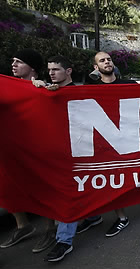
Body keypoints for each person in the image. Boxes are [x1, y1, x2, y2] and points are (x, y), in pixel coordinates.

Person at [78, 52, 140, 238]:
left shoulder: (129, 84)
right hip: (108, 143)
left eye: (108, 59)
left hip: (132, 139)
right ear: (95, 67)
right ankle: (122, 217)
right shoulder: (91, 88)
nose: (107, 62)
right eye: (102, 60)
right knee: (114, 181)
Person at [31, 55, 77, 262]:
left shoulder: (80, 91)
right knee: (67, 195)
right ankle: (88, 220)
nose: (51, 73)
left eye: (56, 69)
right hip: (56, 156)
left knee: (70, 195)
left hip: (79, 153)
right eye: (49, 69)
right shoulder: (45, 91)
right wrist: (35, 85)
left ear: (68, 72)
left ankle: (64, 241)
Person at [1, 49, 44, 250]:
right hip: (12, 148)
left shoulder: (43, 87)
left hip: (37, 148)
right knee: (8, 185)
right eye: (13, 61)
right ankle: (22, 225)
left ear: (32, 67)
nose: (14, 64)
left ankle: (52, 229)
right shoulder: (7, 86)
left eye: (19, 61)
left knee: (45, 187)